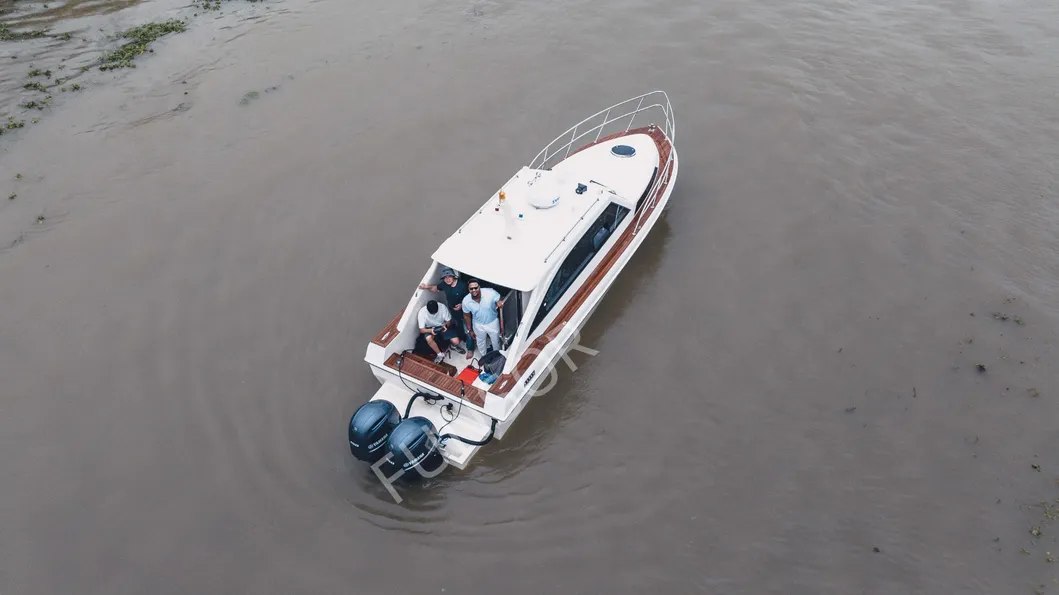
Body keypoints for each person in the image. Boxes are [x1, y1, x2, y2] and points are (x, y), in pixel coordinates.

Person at [418, 268, 471, 349]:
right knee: (458, 325)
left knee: (467, 327)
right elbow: (436, 288)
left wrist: (462, 305)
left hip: (464, 312)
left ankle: (470, 345)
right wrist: (426, 287)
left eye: (449, 276)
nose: (448, 279)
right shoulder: (444, 284)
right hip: (453, 311)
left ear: (454, 276)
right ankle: (462, 338)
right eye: (445, 278)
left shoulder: (462, 286)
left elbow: (470, 298)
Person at [461, 279, 505, 358]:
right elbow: (466, 315)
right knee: (480, 342)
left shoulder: (490, 292)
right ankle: (484, 357)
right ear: (468, 289)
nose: (474, 290)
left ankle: (496, 357)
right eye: (471, 288)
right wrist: (469, 330)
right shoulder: (466, 301)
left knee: (496, 341)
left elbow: (500, 297)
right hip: (478, 325)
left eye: (476, 288)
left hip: (493, 322)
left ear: (479, 287)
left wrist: (499, 301)